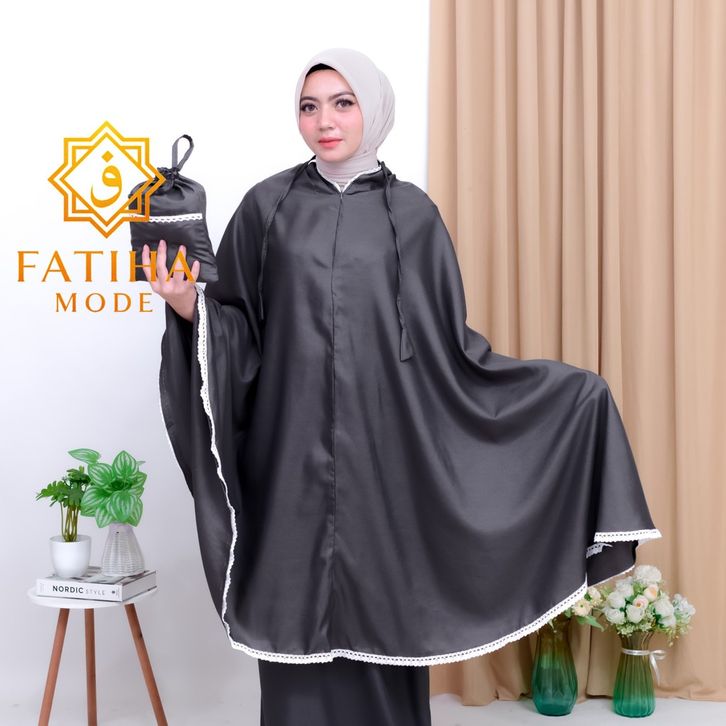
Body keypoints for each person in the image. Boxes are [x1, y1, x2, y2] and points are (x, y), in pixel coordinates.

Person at [144, 48, 660, 726]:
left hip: (387, 465)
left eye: (343, 103)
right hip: (291, 463)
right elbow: (237, 329)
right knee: (297, 618)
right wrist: (188, 305)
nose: (325, 121)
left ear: (374, 109)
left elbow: (449, 351)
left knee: (388, 617)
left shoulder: (412, 214)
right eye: (309, 107)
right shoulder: (266, 207)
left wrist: (569, 399)